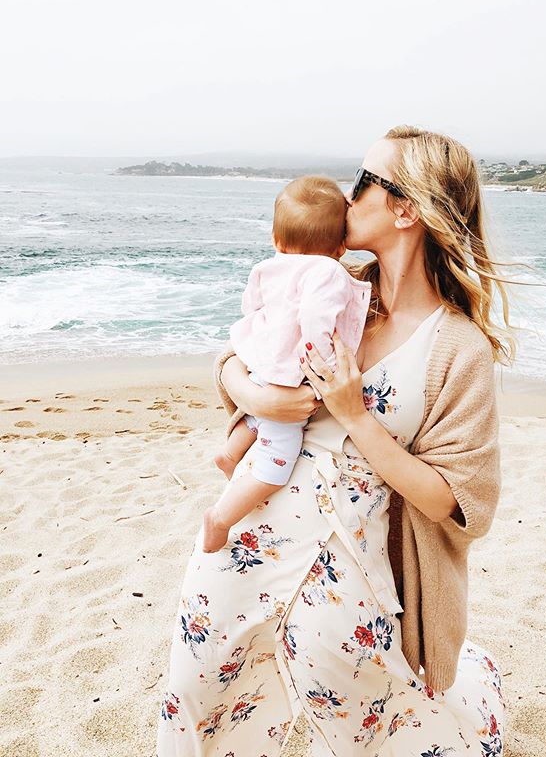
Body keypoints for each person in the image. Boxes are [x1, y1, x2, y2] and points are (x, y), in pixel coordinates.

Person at [156, 125, 517, 757]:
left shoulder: (456, 347)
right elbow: (240, 352)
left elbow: (457, 500)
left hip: (347, 561)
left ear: (406, 207)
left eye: (362, 183)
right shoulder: (335, 287)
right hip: (248, 532)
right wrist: (259, 396)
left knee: (354, 727)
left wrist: (357, 417)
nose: (344, 200)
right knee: (197, 694)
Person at [204, 176, 371, 552]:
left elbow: (251, 308)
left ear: (276, 239)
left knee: (259, 416)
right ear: (341, 246)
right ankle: (220, 517)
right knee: (276, 463)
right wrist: (323, 362)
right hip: (290, 372)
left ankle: (230, 453)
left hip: (260, 362)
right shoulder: (328, 272)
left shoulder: (267, 266)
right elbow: (317, 316)